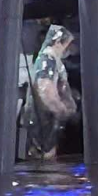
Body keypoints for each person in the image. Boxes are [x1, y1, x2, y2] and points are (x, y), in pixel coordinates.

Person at [27, 25, 77, 159]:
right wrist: (60, 109)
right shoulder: (47, 59)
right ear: (57, 42)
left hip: (50, 120)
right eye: (65, 45)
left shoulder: (54, 60)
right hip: (45, 120)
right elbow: (45, 89)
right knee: (45, 156)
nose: (67, 49)